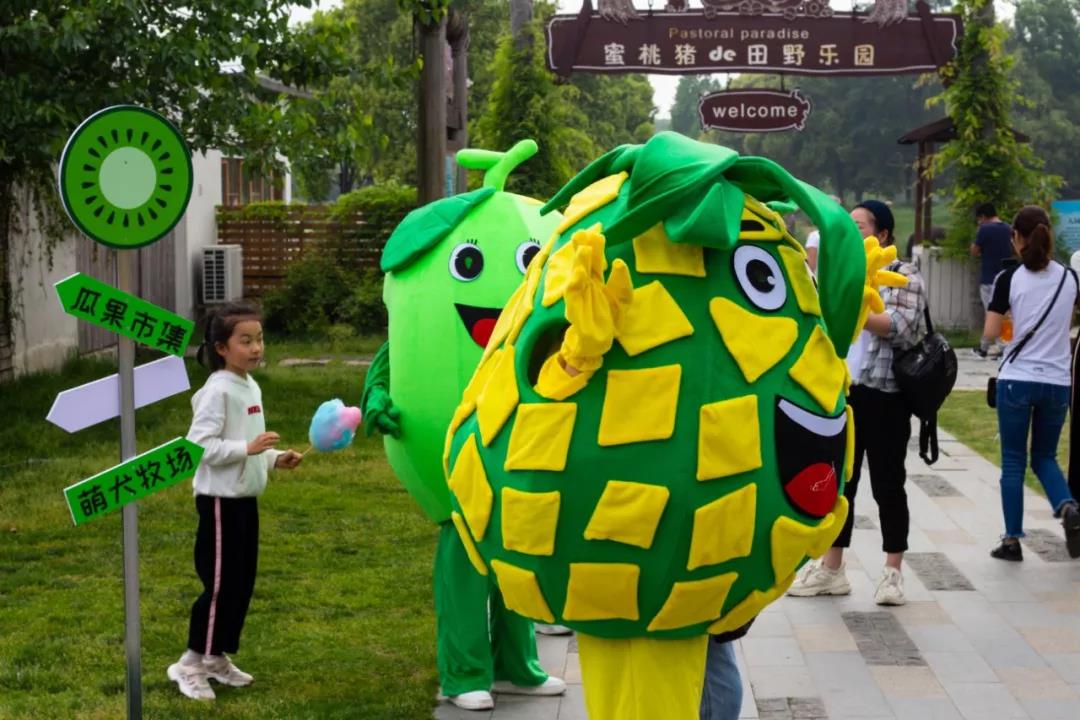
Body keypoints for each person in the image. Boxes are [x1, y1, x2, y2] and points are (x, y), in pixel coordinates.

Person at [788, 200, 925, 606]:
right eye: (848, 225)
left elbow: (898, 328)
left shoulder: (904, 275)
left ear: (882, 234)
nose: (852, 231)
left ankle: (892, 572)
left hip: (886, 396)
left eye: (860, 225)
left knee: (888, 483)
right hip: (845, 393)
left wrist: (855, 305)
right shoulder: (841, 273)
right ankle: (832, 569)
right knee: (840, 483)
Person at [168, 302, 303, 701]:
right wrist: (247, 448)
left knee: (241, 584)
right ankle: (190, 663)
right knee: (221, 584)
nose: (256, 347)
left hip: (245, 500)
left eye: (259, 338)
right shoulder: (217, 391)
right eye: (245, 340)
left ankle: (215, 657)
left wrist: (275, 458)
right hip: (220, 503)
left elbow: (250, 443)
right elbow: (199, 446)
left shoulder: (249, 385)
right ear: (221, 348)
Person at [983, 206, 1080, 561]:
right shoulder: (1071, 278)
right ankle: (1067, 506)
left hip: (1017, 380)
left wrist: (1007, 318)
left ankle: (1011, 541)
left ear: (1017, 238)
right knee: (1044, 457)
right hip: (1057, 380)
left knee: (1012, 461)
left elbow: (991, 333)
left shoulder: (1009, 279)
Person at [971, 203, 1015, 358]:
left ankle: (1002, 348)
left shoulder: (984, 229)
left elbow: (975, 251)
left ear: (983, 217)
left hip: (989, 278)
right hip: (1006, 278)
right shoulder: (1008, 228)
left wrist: (977, 236)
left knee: (991, 314)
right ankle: (985, 347)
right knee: (1005, 314)